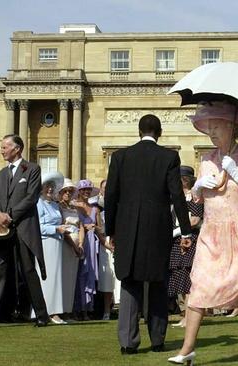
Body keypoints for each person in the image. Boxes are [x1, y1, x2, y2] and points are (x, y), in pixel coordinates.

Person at [169, 101, 238, 366]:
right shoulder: (206, 159)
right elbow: (198, 203)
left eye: (217, 125)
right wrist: (198, 187)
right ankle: (187, 348)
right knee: (199, 286)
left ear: (233, 127)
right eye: (208, 126)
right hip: (211, 233)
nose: (211, 131)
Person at [105, 114, 191, 355]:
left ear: (138, 131)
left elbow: (111, 196)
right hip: (157, 230)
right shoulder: (169, 157)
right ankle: (157, 339)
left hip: (127, 228)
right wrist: (186, 230)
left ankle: (128, 343)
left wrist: (110, 230)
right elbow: (177, 196)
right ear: (159, 132)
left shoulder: (120, 157)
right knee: (157, 283)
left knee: (129, 282)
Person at [0, 134, 49, 328]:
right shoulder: (3, 173)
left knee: (28, 270)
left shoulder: (32, 169)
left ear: (17, 149)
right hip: (2, 229)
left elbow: (31, 197)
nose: (2, 150)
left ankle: (41, 314)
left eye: (5, 147)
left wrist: (10, 215)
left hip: (23, 227)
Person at [168, 165, 203, 328]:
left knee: (188, 279)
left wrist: (176, 231)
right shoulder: (175, 198)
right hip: (176, 241)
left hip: (190, 240)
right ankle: (184, 314)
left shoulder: (194, 197)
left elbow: (195, 220)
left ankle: (190, 316)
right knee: (178, 277)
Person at [36, 172, 66, 324]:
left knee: (56, 278)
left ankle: (54, 310)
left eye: (52, 187)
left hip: (56, 243)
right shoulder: (38, 204)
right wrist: (55, 229)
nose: (50, 189)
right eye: (47, 186)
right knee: (46, 278)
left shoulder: (55, 205)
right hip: (45, 243)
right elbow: (38, 227)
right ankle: (46, 311)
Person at [74, 179, 103, 321]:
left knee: (88, 275)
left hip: (91, 244)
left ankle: (86, 310)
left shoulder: (95, 209)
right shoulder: (74, 206)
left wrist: (94, 227)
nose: (86, 192)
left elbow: (101, 229)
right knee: (78, 274)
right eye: (83, 190)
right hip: (77, 243)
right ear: (78, 191)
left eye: (88, 190)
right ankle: (76, 308)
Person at [58, 178, 82, 318]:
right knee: (64, 278)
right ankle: (61, 311)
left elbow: (80, 227)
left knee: (72, 278)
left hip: (76, 246)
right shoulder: (58, 207)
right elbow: (63, 229)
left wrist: (80, 244)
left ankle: (68, 310)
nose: (68, 193)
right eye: (65, 191)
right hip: (66, 245)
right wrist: (74, 246)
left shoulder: (74, 208)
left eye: (70, 191)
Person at [95, 179, 116, 321]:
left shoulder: (119, 204)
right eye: (104, 188)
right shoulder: (97, 208)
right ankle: (107, 311)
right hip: (105, 243)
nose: (107, 190)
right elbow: (97, 229)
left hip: (118, 243)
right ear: (101, 190)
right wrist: (106, 243)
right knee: (107, 279)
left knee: (119, 279)